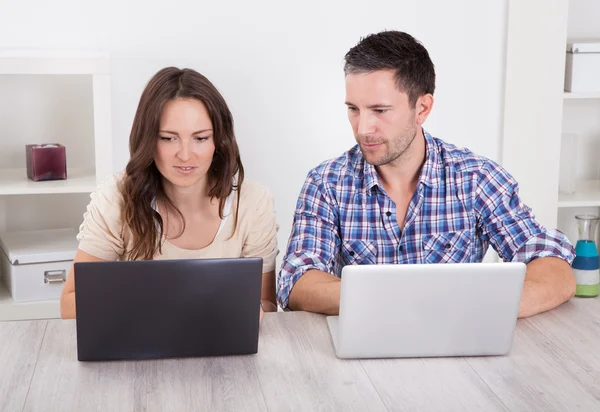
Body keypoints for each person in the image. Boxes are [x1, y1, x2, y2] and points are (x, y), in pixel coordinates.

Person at [277, 30, 576, 318]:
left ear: (422, 108)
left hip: (457, 353)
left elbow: (554, 269)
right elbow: (298, 281)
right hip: (363, 360)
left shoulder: (476, 179)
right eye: (354, 109)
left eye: (380, 111)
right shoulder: (327, 183)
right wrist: (399, 301)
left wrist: (484, 309)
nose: (363, 128)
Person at [61, 67, 278, 319]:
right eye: (168, 138)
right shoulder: (116, 198)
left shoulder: (253, 203)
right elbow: (69, 304)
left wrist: (249, 310)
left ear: (218, 141)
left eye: (200, 138)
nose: (185, 155)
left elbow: (266, 304)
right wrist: (165, 307)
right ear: (148, 140)